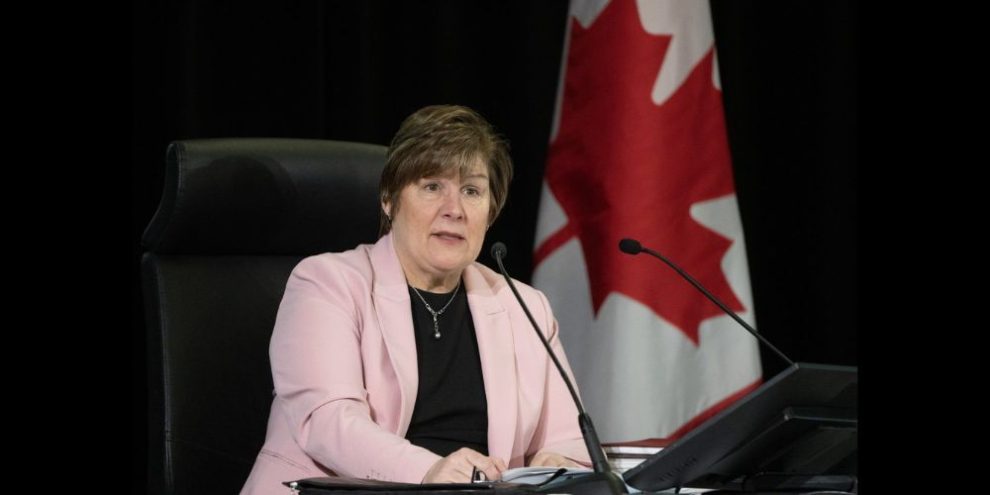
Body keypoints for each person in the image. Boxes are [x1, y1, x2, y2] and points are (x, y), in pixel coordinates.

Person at [240, 105, 590, 494]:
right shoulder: (327, 283)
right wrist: (431, 471)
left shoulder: (524, 307)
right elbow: (327, 419)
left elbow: (569, 439)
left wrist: (560, 463)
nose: (454, 210)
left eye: (471, 191)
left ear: (490, 213)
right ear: (389, 200)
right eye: (432, 187)